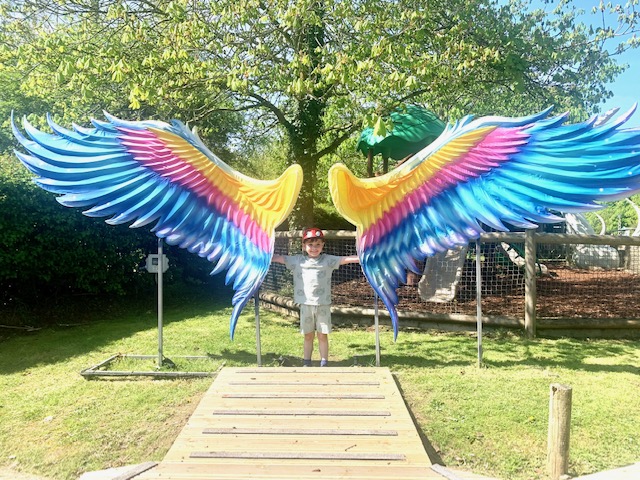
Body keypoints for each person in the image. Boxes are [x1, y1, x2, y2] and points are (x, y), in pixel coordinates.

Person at [272, 228, 359, 367]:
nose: (314, 248)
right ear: (303, 246)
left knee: (322, 334)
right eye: (310, 245)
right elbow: (277, 258)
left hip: (322, 304)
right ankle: (307, 361)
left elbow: (345, 259)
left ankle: (324, 362)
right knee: (308, 335)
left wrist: (361, 258)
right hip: (305, 304)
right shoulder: (297, 261)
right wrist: (262, 253)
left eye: (318, 244)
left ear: (323, 245)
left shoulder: (328, 260)